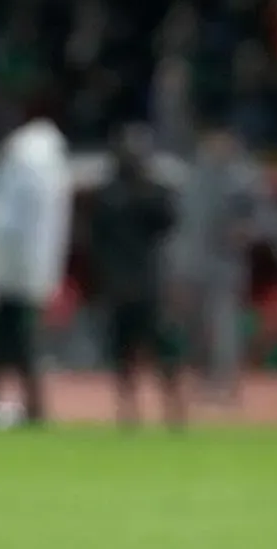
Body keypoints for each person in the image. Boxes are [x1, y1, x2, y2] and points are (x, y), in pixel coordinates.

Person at [0, 99, 72, 426]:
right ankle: (10, 403)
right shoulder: (46, 159)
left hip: (14, 272)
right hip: (26, 270)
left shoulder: (25, 157)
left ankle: (22, 405)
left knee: (12, 342)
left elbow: (9, 219)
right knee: (7, 343)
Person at [86, 124, 184, 428]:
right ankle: (131, 410)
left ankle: (171, 408)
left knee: (160, 349)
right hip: (123, 285)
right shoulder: (108, 195)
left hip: (145, 284)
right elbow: (95, 239)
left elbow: (167, 222)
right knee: (124, 353)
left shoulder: (150, 193)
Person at [172, 115, 259, 404]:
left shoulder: (242, 178)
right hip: (194, 264)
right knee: (196, 327)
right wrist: (179, 267)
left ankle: (226, 383)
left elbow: (252, 222)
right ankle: (205, 379)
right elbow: (183, 227)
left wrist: (240, 232)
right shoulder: (193, 176)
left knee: (224, 326)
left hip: (225, 266)